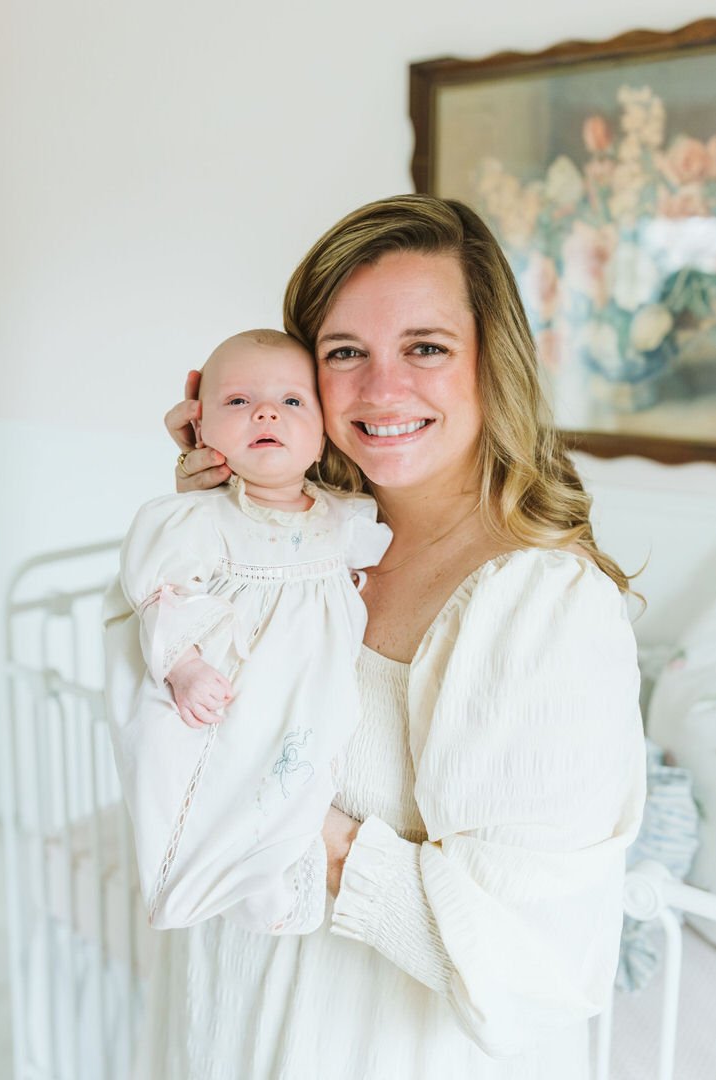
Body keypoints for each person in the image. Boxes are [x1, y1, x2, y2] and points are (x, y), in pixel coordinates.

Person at [105, 195, 645, 1079]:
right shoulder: (306, 541)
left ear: (491, 362)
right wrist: (211, 519)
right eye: (343, 352)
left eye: (425, 348)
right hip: (223, 1027)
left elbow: (530, 965)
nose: (381, 388)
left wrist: (281, 808)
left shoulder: (540, 606)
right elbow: (152, 699)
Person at [111, 329, 392, 934]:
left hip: (311, 685)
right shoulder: (199, 517)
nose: (266, 412)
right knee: (232, 770)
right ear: (198, 427)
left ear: (322, 435)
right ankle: (220, 872)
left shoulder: (343, 513)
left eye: (293, 402)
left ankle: (280, 875)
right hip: (242, 683)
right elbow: (165, 597)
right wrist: (183, 667)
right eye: (238, 402)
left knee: (306, 769)